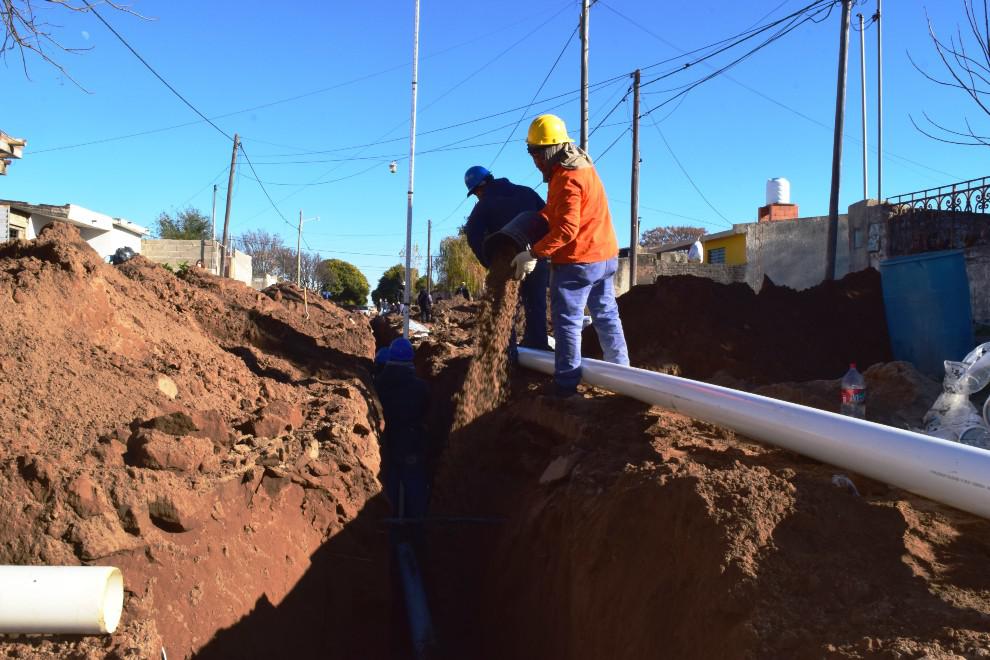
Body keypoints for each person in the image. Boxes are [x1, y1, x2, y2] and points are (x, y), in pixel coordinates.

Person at [514, 113, 630, 397]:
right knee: (606, 315)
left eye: (538, 153)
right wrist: (539, 219)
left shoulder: (565, 178)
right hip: (604, 256)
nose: (535, 160)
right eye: (532, 154)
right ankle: (623, 375)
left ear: (551, 148)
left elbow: (566, 228)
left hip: (579, 261)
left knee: (568, 320)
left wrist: (533, 253)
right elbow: (560, 211)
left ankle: (566, 384)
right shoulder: (581, 166)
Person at [463, 165, 550, 350]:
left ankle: (506, 352)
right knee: (536, 304)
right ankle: (538, 345)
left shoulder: (484, 204)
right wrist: (541, 251)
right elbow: (548, 219)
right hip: (535, 258)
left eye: (476, 193)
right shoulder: (527, 192)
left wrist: (489, 263)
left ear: (479, 188)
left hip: (507, 264)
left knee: (505, 309)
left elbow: (473, 235)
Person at [374, 338, 432, 529]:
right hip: (411, 446)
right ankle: (417, 533)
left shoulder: (377, 384)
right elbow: (427, 413)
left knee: (389, 492)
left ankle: (391, 534)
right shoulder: (421, 387)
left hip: (386, 446)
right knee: (415, 493)